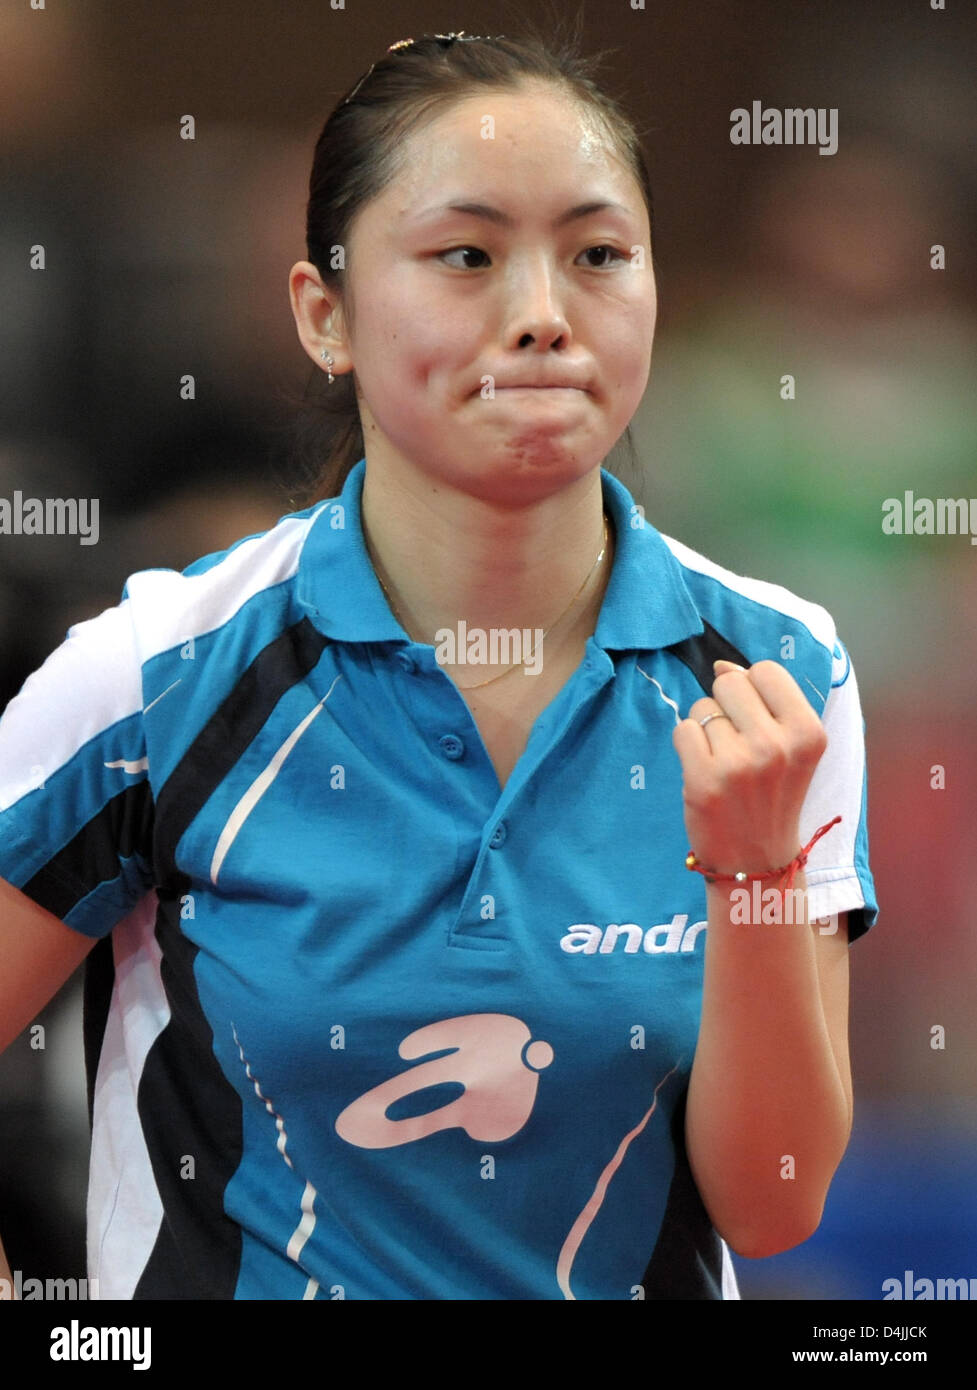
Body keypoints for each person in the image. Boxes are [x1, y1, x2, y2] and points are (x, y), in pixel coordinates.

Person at [0, 29, 877, 1301]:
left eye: (596, 255)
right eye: (465, 256)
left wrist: (752, 872)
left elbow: (775, 1197)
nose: (539, 316)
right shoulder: (151, 679)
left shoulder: (775, 671)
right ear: (324, 313)